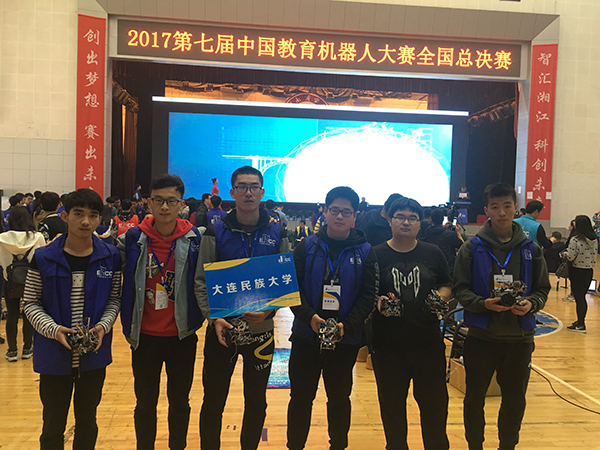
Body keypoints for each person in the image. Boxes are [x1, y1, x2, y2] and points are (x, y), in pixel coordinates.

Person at [194, 165, 288, 450]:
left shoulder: (277, 230)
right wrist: (214, 318)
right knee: (213, 400)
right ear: (232, 192)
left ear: (262, 192)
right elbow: (201, 280)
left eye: (253, 187)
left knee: (257, 401)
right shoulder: (216, 230)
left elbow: (285, 280)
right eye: (242, 187)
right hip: (222, 331)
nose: (248, 192)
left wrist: (270, 311)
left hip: (262, 332)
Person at [453, 182, 550, 450]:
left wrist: (531, 304)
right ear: (486, 210)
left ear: (516, 208)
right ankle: (475, 445)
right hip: (481, 338)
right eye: (495, 207)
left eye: (507, 206)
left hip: (519, 339)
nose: (502, 212)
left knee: (515, 401)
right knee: (474, 399)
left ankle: (507, 445)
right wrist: (483, 304)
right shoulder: (471, 248)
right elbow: (460, 289)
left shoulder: (531, 249)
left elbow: (542, 288)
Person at [22, 188, 121, 448]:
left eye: (93, 215)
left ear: (100, 219)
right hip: (53, 355)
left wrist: (103, 327)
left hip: (94, 356)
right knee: (52, 425)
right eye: (78, 214)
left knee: (87, 423)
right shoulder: (43, 256)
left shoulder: (111, 256)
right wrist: (54, 330)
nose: (86, 221)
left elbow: (115, 299)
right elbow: (29, 303)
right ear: (65, 216)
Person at [286, 186, 378, 450]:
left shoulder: (366, 251)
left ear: (355, 216)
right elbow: (293, 289)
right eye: (334, 210)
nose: (339, 216)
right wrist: (309, 317)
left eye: (346, 212)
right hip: (306, 336)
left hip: (344, 340)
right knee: (300, 398)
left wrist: (347, 326)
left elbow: (368, 296)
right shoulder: (306, 246)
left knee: (339, 399)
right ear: (324, 212)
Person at [118, 173, 204, 450]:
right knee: (145, 403)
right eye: (158, 200)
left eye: (171, 201)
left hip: (182, 336)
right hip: (143, 337)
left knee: (179, 402)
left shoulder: (195, 239)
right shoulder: (132, 238)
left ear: (181, 204)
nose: (164, 207)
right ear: (148, 203)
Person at [372, 197, 451, 450]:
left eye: (412, 218)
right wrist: (378, 302)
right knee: (392, 407)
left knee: (435, 407)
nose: (406, 222)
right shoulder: (375, 254)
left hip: (428, 344)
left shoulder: (432, 252)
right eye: (400, 217)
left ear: (420, 223)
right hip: (387, 346)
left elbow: (447, 284)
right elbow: (365, 292)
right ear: (390, 220)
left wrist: (441, 297)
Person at [0, 206, 46, 361]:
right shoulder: (38, 237)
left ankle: (12, 351)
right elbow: (43, 259)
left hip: (10, 281)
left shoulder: (2, 238)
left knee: (12, 315)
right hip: (32, 281)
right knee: (29, 314)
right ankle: (27, 348)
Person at [561, 215, 598, 332]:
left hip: (577, 271)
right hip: (588, 271)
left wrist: (563, 254)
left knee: (579, 298)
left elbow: (571, 256)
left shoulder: (575, 239)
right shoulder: (595, 239)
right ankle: (580, 321)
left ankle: (581, 324)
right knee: (582, 297)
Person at [422, 207, 464, 278]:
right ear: (443, 219)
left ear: (431, 219)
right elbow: (463, 246)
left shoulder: (427, 233)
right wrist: (458, 232)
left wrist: (443, 228)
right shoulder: (449, 234)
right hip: (448, 270)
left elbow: (437, 231)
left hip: (432, 268)